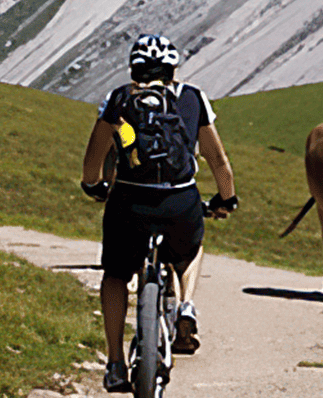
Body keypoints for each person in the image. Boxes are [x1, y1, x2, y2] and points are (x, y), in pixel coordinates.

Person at [80, 34, 237, 393]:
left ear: (133, 68)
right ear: (173, 69)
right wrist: (226, 199)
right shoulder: (193, 98)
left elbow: (94, 158)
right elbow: (217, 159)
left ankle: (116, 363)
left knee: (116, 274)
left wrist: (93, 186)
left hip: (129, 203)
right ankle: (186, 306)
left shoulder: (119, 100)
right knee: (191, 248)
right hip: (179, 203)